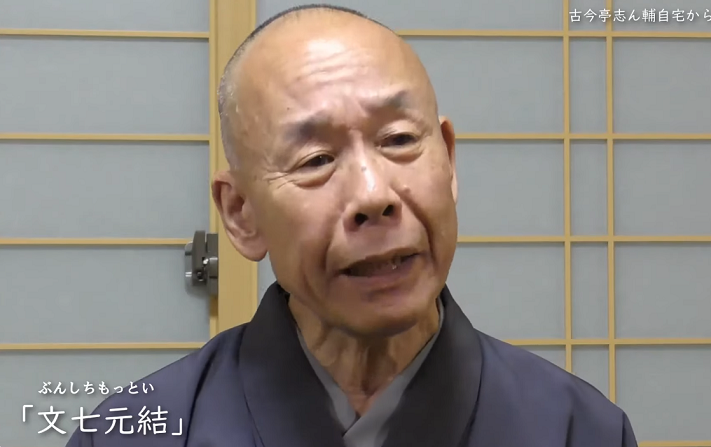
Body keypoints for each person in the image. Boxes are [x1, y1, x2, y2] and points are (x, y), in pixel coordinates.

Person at [65, 4, 638, 446]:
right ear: (241, 213)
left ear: (448, 159)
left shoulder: (578, 429)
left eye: (399, 140)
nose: (373, 194)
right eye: (316, 160)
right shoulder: (134, 433)